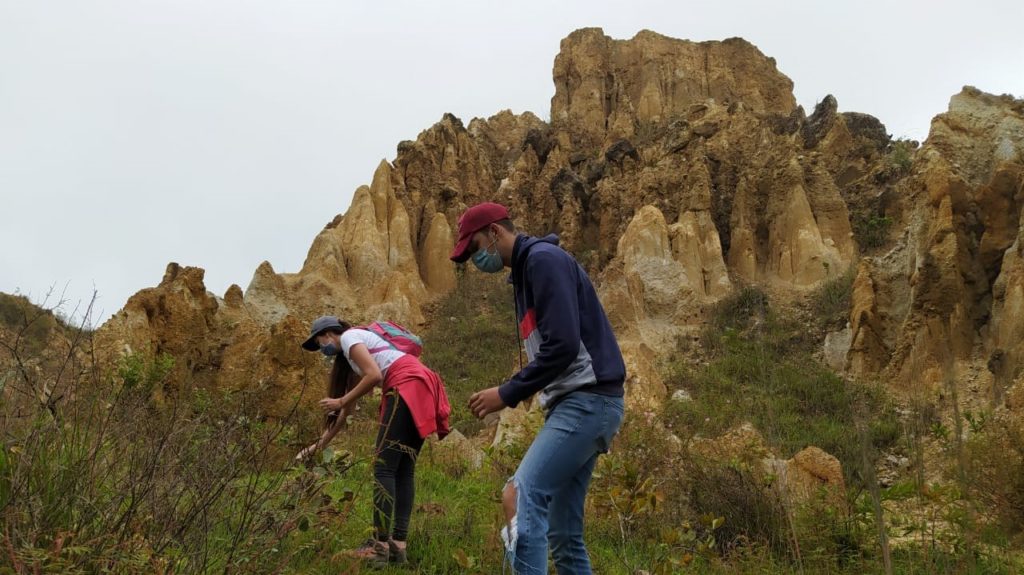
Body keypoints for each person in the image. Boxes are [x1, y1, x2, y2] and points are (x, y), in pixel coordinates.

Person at [449, 202, 626, 574]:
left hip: (587, 402)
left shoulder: (543, 261)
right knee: (564, 535)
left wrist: (507, 393)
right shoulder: (527, 273)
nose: (476, 260)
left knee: (519, 496)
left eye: (475, 247)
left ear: (495, 232)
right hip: (583, 405)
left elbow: (563, 345)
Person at [298, 316, 451, 566]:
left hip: (406, 384)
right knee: (403, 470)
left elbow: (373, 375)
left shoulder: (349, 338)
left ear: (328, 334)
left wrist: (340, 401)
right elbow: (345, 413)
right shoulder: (354, 356)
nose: (322, 348)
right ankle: (398, 546)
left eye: (319, 342)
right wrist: (318, 446)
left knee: (383, 468)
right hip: (422, 385)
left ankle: (379, 546)